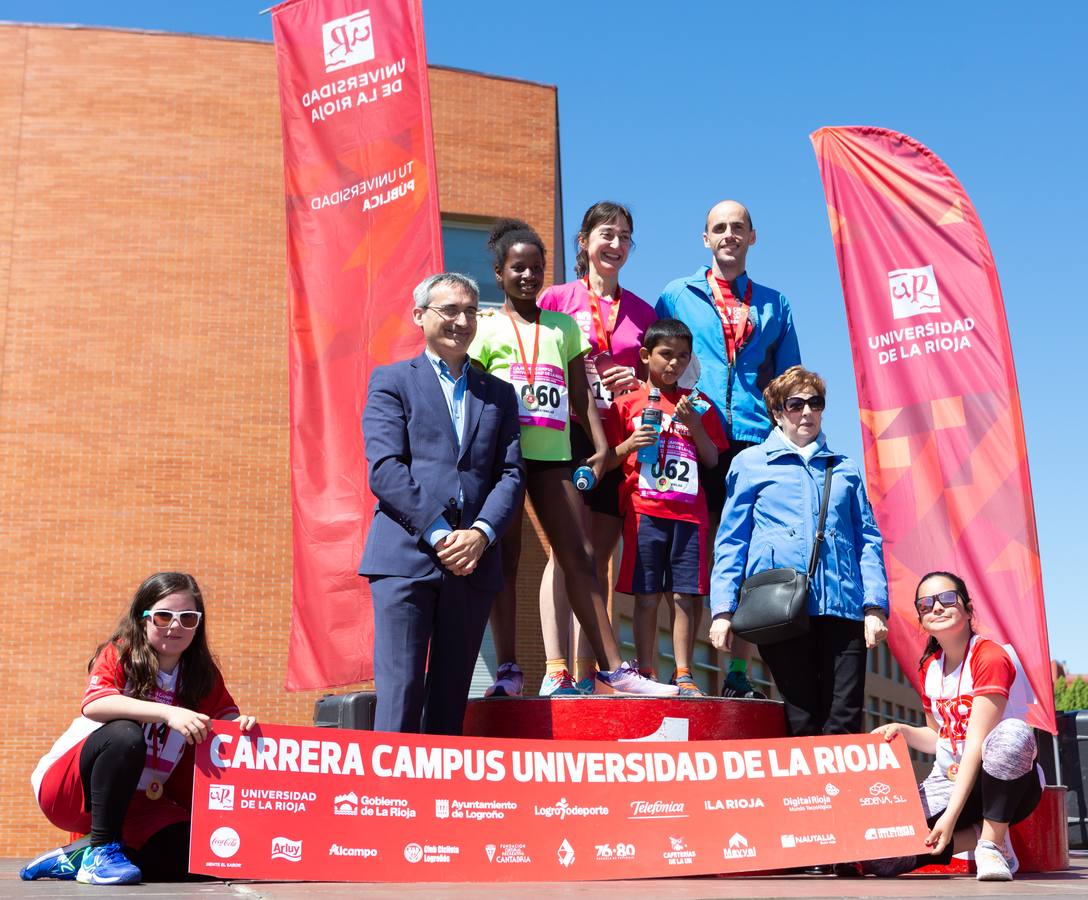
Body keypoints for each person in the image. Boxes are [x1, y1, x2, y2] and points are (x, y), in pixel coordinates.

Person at [470, 218, 676, 697]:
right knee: (506, 556)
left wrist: (603, 448)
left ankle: (614, 669)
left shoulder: (562, 327)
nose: (528, 276)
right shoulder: (486, 329)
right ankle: (508, 672)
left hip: (554, 457)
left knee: (580, 555)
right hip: (502, 460)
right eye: (517, 268)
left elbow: (582, 395)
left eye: (536, 267)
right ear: (499, 274)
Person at [358, 272, 525, 735]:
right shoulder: (391, 381)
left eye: (471, 310)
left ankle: (436, 806)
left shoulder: (498, 394)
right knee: (401, 694)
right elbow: (385, 468)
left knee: (451, 700)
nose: (462, 320)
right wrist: (438, 530)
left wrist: (480, 534)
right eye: (449, 309)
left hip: (472, 564)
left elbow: (511, 475)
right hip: (406, 558)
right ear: (419, 316)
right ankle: (388, 803)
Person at [24, 572, 256, 885]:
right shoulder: (122, 653)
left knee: (202, 858)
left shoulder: (202, 674)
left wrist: (240, 725)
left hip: (144, 802)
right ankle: (102, 848)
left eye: (187, 618)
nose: (175, 626)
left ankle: (77, 857)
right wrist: (167, 713)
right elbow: (95, 703)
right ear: (143, 618)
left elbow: (223, 721)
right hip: (73, 788)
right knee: (125, 734)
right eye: (163, 616)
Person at [657, 200, 802, 698]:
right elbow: (658, 362)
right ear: (705, 238)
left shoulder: (774, 303)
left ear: (752, 237)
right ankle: (676, 673)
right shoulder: (677, 294)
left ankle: (738, 676)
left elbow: (788, 381)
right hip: (695, 437)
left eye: (738, 228)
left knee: (751, 556)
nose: (729, 236)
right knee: (685, 552)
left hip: (754, 440)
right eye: (719, 228)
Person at [709, 366, 889, 734]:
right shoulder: (750, 464)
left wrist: (874, 607)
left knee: (844, 717)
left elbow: (867, 540)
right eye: (796, 404)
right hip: (781, 608)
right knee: (801, 717)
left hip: (844, 608)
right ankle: (810, 793)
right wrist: (723, 611)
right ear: (777, 412)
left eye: (815, 403)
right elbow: (732, 540)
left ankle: (842, 792)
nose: (807, 412)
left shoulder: (844, 469)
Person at [536, 201, 657, 694]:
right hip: (568, 430)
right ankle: (554, 668)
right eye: (606, 234)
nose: (616, 244)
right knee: (565, 550)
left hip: (622, 438)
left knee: (601, 553)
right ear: (583, 241)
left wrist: (640, 376)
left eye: (625, 236)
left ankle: (592, 675)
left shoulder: (645, 311)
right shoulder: (557, 298)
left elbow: (662, 372)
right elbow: (536, 357)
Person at [865, 572, 1042, 882]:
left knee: (1013, 733)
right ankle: (981, 837)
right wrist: (904, 731)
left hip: (1003, 780)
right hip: (949, 781)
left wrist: (949, 816)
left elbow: (975, 744)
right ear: (920, 617)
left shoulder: (989, 656)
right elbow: (938, 736)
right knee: (881, 854)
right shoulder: (930, 666)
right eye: (925, 603)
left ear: (968, 608)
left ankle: (991, 843)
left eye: (947, 598)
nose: (937, 607)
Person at [605, 319, 728, 696]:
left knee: (684, 596)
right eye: (666, 355)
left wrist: (696, 425)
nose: (674, 363)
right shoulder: (626, 404)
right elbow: (608, 457)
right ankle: (645, 671)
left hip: (690, 515)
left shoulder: (698, 404)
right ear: (645, 356)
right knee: (646, 596)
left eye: (682, 357)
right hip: (645, 511)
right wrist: (629, 446)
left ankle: (684, 672)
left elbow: (710, 460)